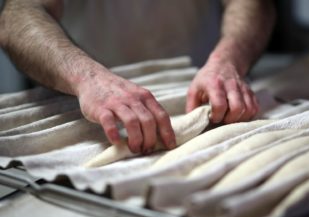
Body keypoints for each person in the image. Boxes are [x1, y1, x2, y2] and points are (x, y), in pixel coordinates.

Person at [0, 0, 275, 154]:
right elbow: (19, 15)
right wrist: (88, 79)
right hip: (82, 101)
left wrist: (228, 60)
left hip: (205, 87)